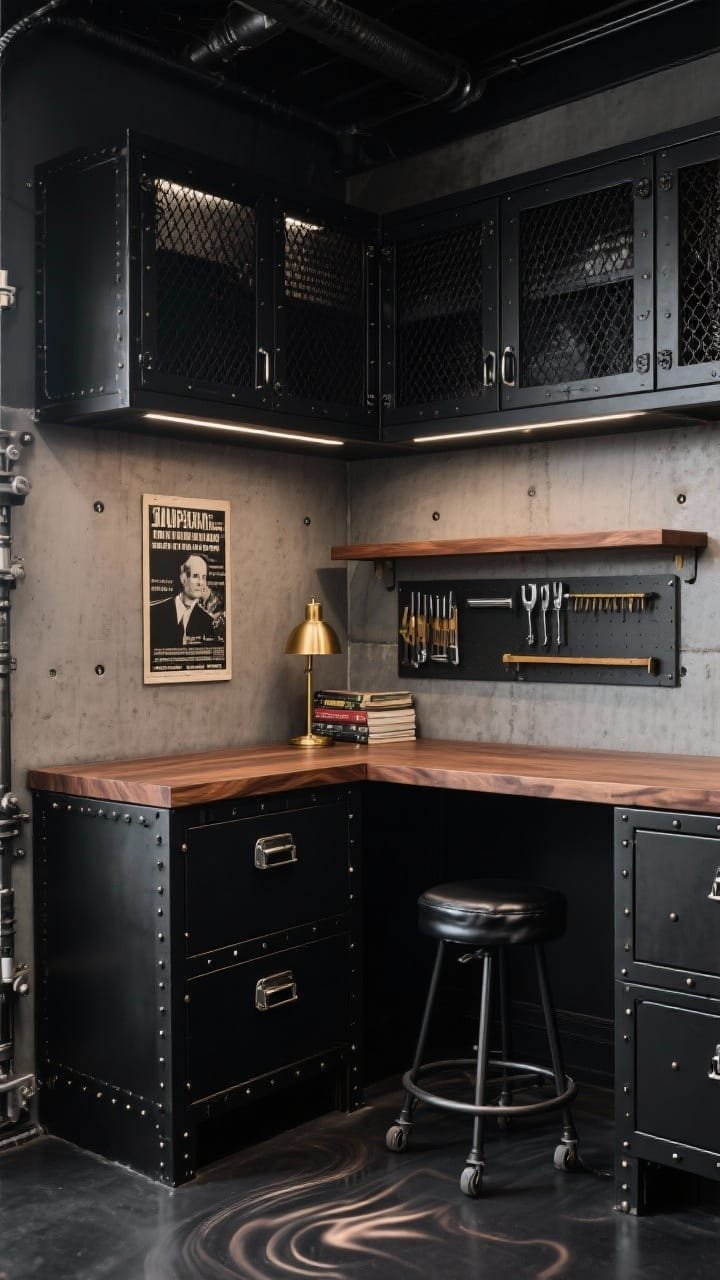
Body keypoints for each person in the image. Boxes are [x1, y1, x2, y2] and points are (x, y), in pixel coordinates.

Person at [150, 554, 217, 650]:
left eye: (204, 577)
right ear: (183, 578)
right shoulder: (155, 612)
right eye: (196, 576)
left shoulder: (207, 622)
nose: (201, 582)